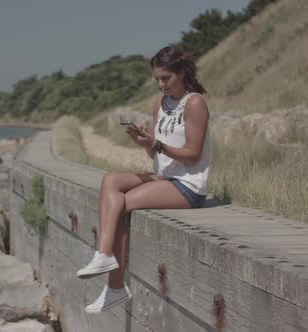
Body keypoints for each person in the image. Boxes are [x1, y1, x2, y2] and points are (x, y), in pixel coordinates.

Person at [76, 46, 210, 314]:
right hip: (164, 176)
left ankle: (114, 286)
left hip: (187, 185)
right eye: (157, 79)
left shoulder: (195, 103)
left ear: (182, 72)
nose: (161, 85)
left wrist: (157, 144)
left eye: (166, 79)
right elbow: (155, 151)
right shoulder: (160, 103)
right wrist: (144, 143)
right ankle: (103, 255)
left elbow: (193, 156)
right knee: (110, 181)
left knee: (122, 204)